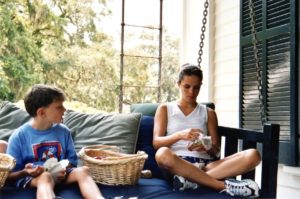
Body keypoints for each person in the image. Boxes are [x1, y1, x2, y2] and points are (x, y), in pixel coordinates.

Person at [153, 64, 261, 198]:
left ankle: (190, 181)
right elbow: (156, 142)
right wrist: (180, 135)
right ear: (178, 84)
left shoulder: (208, 113)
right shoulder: (165, 109)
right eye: (187, 87)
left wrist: (207, 146)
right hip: (178, 166)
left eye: (196, 87)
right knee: (162, 153)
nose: (192, 92)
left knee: (253, 155)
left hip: (207, 166)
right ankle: (223, 186)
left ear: (200, 86)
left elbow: (216, 152)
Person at [6, 84, 104, 199]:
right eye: (59, 107)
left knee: (84, 171)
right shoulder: (19, 136)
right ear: (41, 112)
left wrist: (63, 169)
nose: (64, 110)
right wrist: (26, 172)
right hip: (34, 178)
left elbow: (72, 161)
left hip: (61, 175)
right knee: (45, 177)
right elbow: (9, 175)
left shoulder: (63, 131)